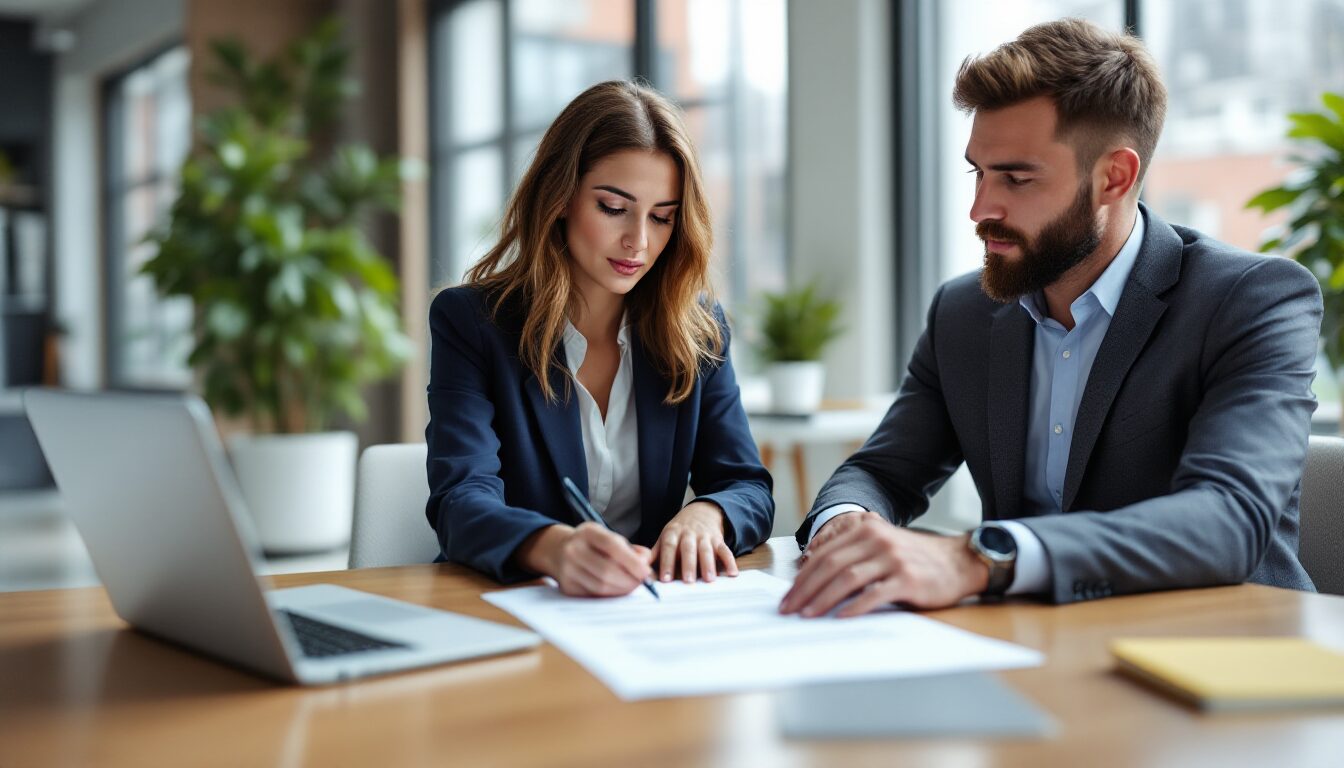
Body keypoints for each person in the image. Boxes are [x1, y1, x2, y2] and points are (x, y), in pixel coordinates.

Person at [781, 18, 1322, 618]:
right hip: (1039, 641)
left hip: (1220, 645)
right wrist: (847, 521)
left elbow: (1228, 520)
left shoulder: (1251, 300)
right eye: (978, 172)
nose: (980, 209)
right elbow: (884, 471)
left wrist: (981, 558)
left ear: (1114, 177)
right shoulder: (963, 314)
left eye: (1016, 178)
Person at [426, 80, 774, 596]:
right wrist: (552, 547)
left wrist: (708, 514)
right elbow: (460, 499)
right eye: (613, 208)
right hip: (514, 602)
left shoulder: (697, 329)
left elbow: (746, 485)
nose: (639, 241)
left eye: (662, 217)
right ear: (560, 198)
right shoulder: (473, 322)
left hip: (644, 611)